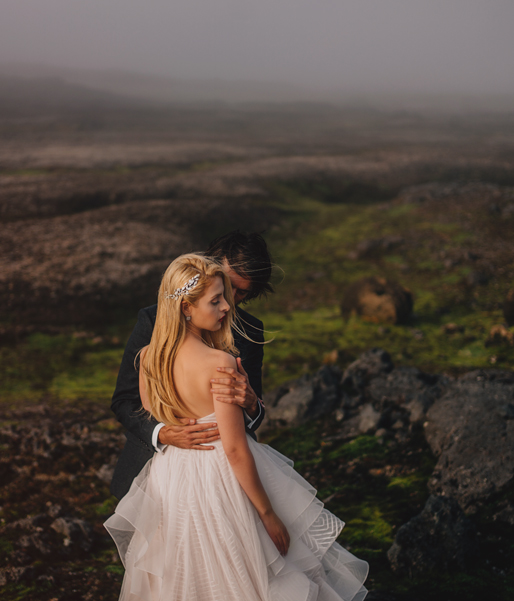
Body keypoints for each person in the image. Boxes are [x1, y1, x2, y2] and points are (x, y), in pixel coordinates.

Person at [104, 254, 368, 600]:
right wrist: (268, 513)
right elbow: (234, 447)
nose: (227, 308)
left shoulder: (149, 359)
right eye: (216, 300)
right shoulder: (220, 363)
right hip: (220, 478)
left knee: (183, 575)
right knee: (249, 571)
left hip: (171, 480)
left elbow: (159, 413)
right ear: (186, 307)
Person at [109, 231, 273, 500]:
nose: (229, 300)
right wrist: (163, 433)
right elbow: (124, 399)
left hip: (225, 481)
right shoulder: (152, 319)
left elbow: (253, 417)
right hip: (151, 475)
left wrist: (253, 403)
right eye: (226, 285)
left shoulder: (251, 330)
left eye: (241, 292)